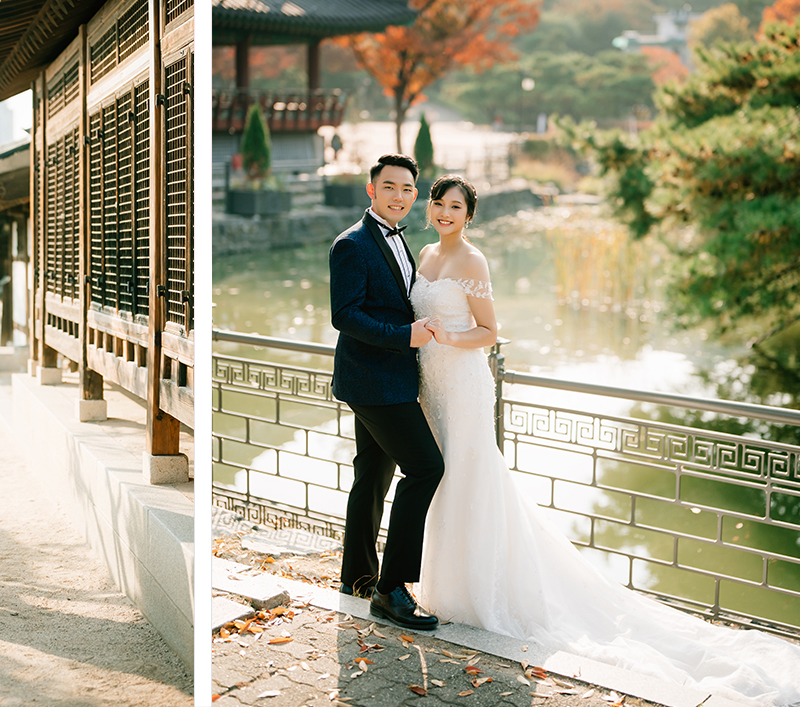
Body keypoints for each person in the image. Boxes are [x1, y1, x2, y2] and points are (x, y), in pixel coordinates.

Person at [410, 174, 800, 706]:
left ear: (470, 215)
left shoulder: (472, 261)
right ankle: (444, 588)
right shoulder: (424, 253)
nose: (445, 211)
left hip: (464, 382)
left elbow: (489, 332)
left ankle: (481, 595)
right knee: (441, 481)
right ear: (430, 208)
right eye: (439, 203)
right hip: (431, 385)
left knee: (471, 478)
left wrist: (450, 337)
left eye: (456, 206)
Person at [329, 153, 443, 630]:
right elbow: (345, 315)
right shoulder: (352, 244)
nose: (399, 196)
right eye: (389, 187)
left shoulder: (402, 241)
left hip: (388, 378)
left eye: (407, 190)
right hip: (374, 382)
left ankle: (356, 575)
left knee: (373, 474)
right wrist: (405, 337)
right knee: (426, 467)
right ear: (371, 189)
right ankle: (392, 589)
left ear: (414, 197)